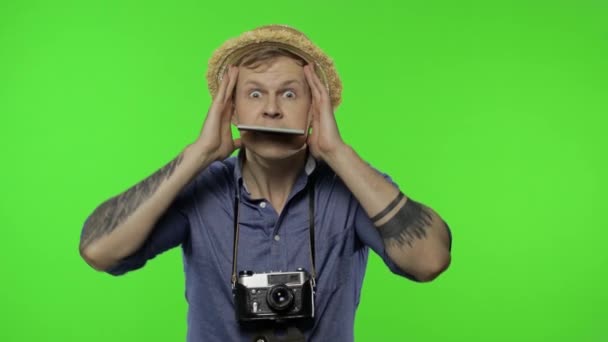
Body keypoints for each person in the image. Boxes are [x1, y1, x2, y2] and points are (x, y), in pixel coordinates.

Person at [79, 24, 452, 342]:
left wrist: (338, 152)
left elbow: (430, 261)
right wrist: (198, 154)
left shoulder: (354, 187)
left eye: (289, 94)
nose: (271, 110)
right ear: (232, 110)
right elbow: (99, 251)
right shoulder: (199, 188)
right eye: (254, 94)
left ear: (313, 110)